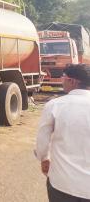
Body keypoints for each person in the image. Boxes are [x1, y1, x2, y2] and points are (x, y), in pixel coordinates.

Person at [35, 64, 90, 202]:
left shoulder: (55, 105)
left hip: (63, 185)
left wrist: (44, 158)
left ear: (73, 81)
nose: (61, 80)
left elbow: (42, 141)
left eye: (63, 77)